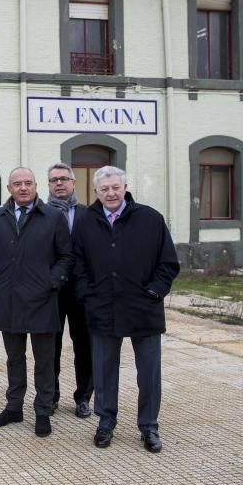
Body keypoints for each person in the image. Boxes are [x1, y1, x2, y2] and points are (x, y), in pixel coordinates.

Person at [72, 166, 180, 453]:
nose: (110, 193)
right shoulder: (85, 222)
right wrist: (87, 295)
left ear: (125, 187)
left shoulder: (150, 218)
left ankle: (149, 427)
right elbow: (77, 264)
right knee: (104, 371)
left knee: (148, 373)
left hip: (144, 308)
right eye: (104, 189)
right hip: (102, 309)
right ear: (96, 191)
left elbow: (168, 263)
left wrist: (155, 291)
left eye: (115, 187)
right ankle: (105, 422)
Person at [0, 168, 72, 437]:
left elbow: (66, 256)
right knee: (14, 358)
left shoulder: (53, 217)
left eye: (28, 183)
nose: (23, 188)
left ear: (36, 186)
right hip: (8, 297)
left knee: (44, 360)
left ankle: (43, 410)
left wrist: (51, 280)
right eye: (17, 184)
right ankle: (14, 407)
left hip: (42, 299)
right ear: (9, 188)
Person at [46, 162, 93, 418]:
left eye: (64, 178)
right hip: (51, 290)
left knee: (84, 346)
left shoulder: (88, 214)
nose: (59, 183)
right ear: (48, 185)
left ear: (73, 183)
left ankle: (83, 397)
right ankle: (50, 395)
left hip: (82, 292)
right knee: (49, 346)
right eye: (54, 180)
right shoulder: (40, 214)